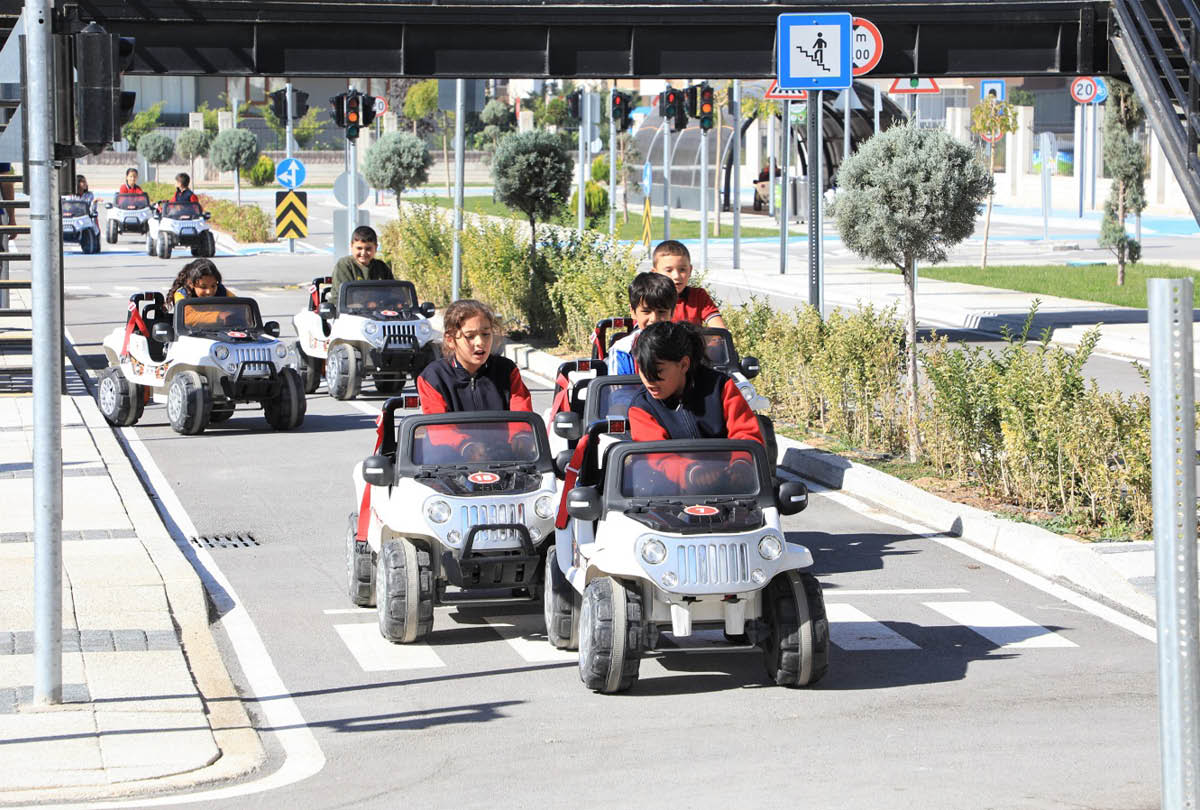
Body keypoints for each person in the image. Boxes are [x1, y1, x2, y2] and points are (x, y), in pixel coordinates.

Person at [627, 321, 763, 487]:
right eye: (644, 372)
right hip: (667, 497)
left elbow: (746, 433)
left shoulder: (720, 387)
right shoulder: (641, 407)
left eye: (658, 372)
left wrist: (741, 464)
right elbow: (656, 455)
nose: (649, 381)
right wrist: (691, 472)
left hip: (731, 488)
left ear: (684, 364)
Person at [415, 299, 533, 460]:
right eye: (470, 336)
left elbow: (522, 413)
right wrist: (467, 446)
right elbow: (438, 429)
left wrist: (520, 437)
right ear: (450, 339)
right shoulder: (433, 377)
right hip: (449, 462)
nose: (480, 343)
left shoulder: (507, 370)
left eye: (485, 334)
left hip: (503, 456)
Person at [609, 272, 677, 375]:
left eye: (661, 311)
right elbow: (618, 390)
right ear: (633, 311)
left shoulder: (684, 346)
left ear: (672, 312)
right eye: (646, 311)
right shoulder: (623, 350)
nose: (654, 319)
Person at [650, 240, 727, 329]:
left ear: (690, 270)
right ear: (654, 273)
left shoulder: (698, 296)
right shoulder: (648, 298)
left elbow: (720, 330)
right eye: (669, 270)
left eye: (682, 270)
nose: (676, 276)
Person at [330, 225, 392, 310]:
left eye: (368, 249)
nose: (363, 253)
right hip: (346, 311)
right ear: (351, 246)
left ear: (376, 248)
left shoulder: (381, 267)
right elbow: (345, 296)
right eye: (359, 248)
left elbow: (391, 292)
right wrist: (367, 305)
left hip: (377, 311)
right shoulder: (345, 265)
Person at [166, 258, 234, 310]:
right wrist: (220, 316)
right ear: (191, 284)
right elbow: (189, 317)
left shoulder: (222, 291)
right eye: (203, 287)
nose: (209, 291)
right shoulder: (182, 295)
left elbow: (239, 307)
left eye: (213, 286)